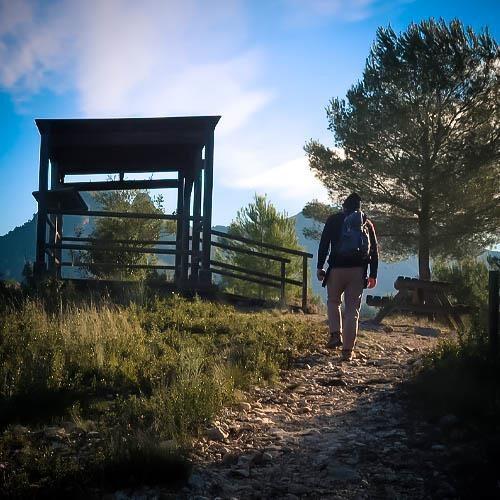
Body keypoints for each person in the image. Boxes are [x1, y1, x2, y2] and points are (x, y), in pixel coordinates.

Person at [316, 193, 378, 361]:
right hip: (358, 271)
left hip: (336, 269)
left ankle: (335, 334)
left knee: (333, 301)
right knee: (352, 310)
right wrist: (373, 274)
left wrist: (320, 266)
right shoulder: (366, 223)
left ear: (344, 206)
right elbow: (374, 251)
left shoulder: (334, 220)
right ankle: (347, 351)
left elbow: (324, 244)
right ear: (359, 208)